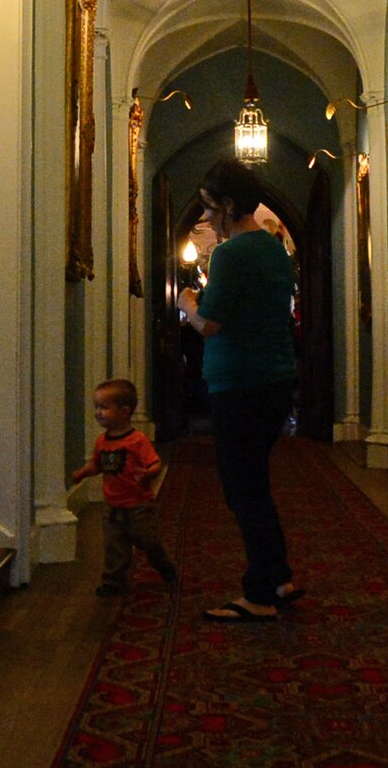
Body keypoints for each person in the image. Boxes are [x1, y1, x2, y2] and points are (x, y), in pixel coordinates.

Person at [175, 160, 302, 622]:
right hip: (275, 379)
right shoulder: (273, 249)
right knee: (256, 484)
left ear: (228, 205)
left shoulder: (230, 255)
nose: (205, 217)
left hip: (240, 385)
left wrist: (188, 303)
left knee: (242, 489)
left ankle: (260, 593)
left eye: (209, 208)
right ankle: (278, 576)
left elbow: (211, 323)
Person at [70, 378, 177, 597]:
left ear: (124, 411)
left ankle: (164, 565)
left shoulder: (137, 441)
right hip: (112, 507)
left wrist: (149, 473)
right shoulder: (102, 441)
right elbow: (98, 464)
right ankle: (112, 582)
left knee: (149, 542)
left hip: (139, 506)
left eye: (104, 407)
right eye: (96, 407)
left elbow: (155, 463)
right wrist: (83, 473)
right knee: (114, 547)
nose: (98, 412)